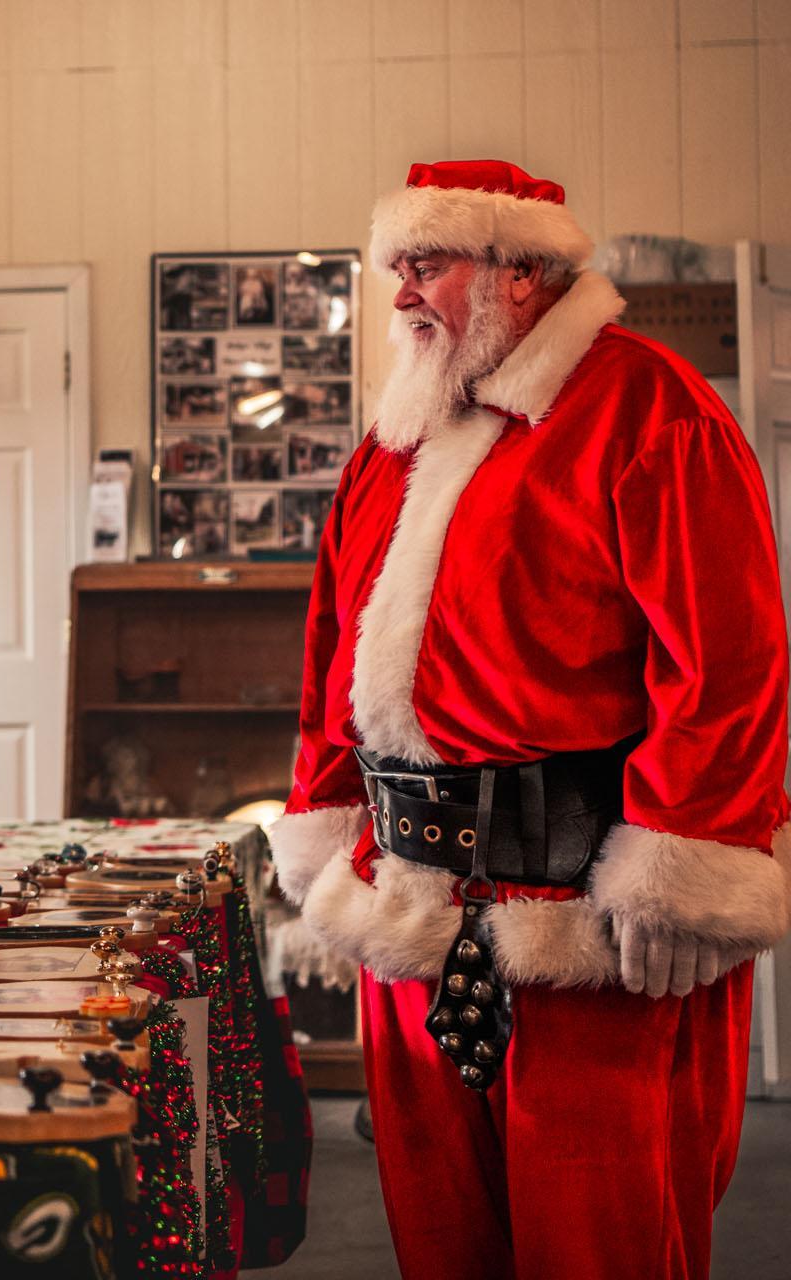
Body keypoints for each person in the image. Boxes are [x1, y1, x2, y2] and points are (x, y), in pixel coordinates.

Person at [267, 159, 789, 1279]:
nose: (402, 291)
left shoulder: (651, 408)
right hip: (410, 916)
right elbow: (331, 662)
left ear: (522, 271)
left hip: (591, 940)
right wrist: (321, 831)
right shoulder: (391, 444)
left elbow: (729, 664)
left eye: (430, 263)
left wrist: (683, 864)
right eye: (395, 265)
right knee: (442, 1240)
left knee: (601, 1247)